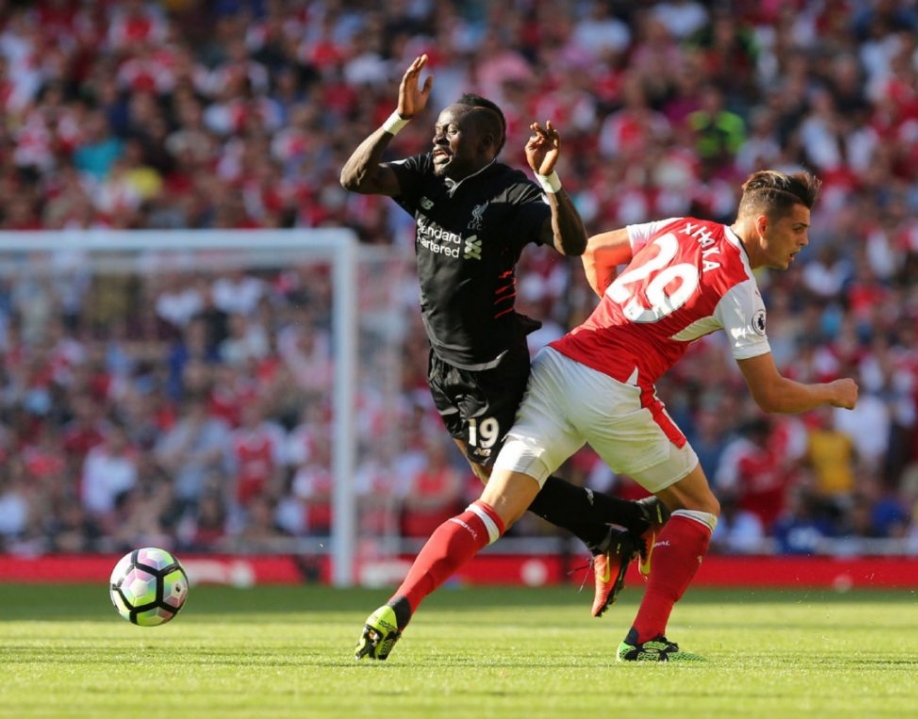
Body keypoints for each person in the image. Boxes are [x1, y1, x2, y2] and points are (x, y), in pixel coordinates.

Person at [355, 169, 858, 662]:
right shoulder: (740, 287)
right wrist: (832, 393)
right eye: (798, 229)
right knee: (699, 506)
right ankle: (646, 635)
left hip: (559, 364)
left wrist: (617, 312)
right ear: (763, 226)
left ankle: (396, 606)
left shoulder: (682, 225)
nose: (805, 241)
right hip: (613, 390)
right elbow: (769, 395)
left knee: (492, 509)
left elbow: (594, 250)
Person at [340, 54, 664, 618]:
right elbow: (354, 178)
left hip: (491, 365)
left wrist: (551, 180)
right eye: (436, 127)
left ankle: (630, 521)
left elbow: (571, 243)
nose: (438, 136)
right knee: (492, 472)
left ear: (487, 143)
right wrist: (397, 118)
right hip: (443, 363)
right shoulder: (425, 175)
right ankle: (614, 531)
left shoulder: (510, 194)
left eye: (451, 129)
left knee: (502, 484)